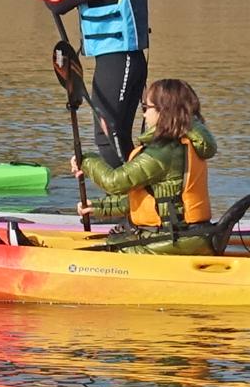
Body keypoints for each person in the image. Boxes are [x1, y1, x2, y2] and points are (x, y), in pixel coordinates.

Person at [32, 0, 149, 167]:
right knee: (117, 135)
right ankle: (133, 199)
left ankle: (131, 197)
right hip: (130, 61)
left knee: (108, 137)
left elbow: (60, 4)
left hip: (117, 63)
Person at [72, 78, 217, 255]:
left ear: (163, 111)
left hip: (174, 241)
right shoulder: (185, 143)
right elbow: (156, 200)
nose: (144, 114)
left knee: (110, 249)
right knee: (115, 239)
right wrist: (101, 208)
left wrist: (85, 160)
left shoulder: (164, 152)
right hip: (189, 237)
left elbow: (114, 182)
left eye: (146, 108)